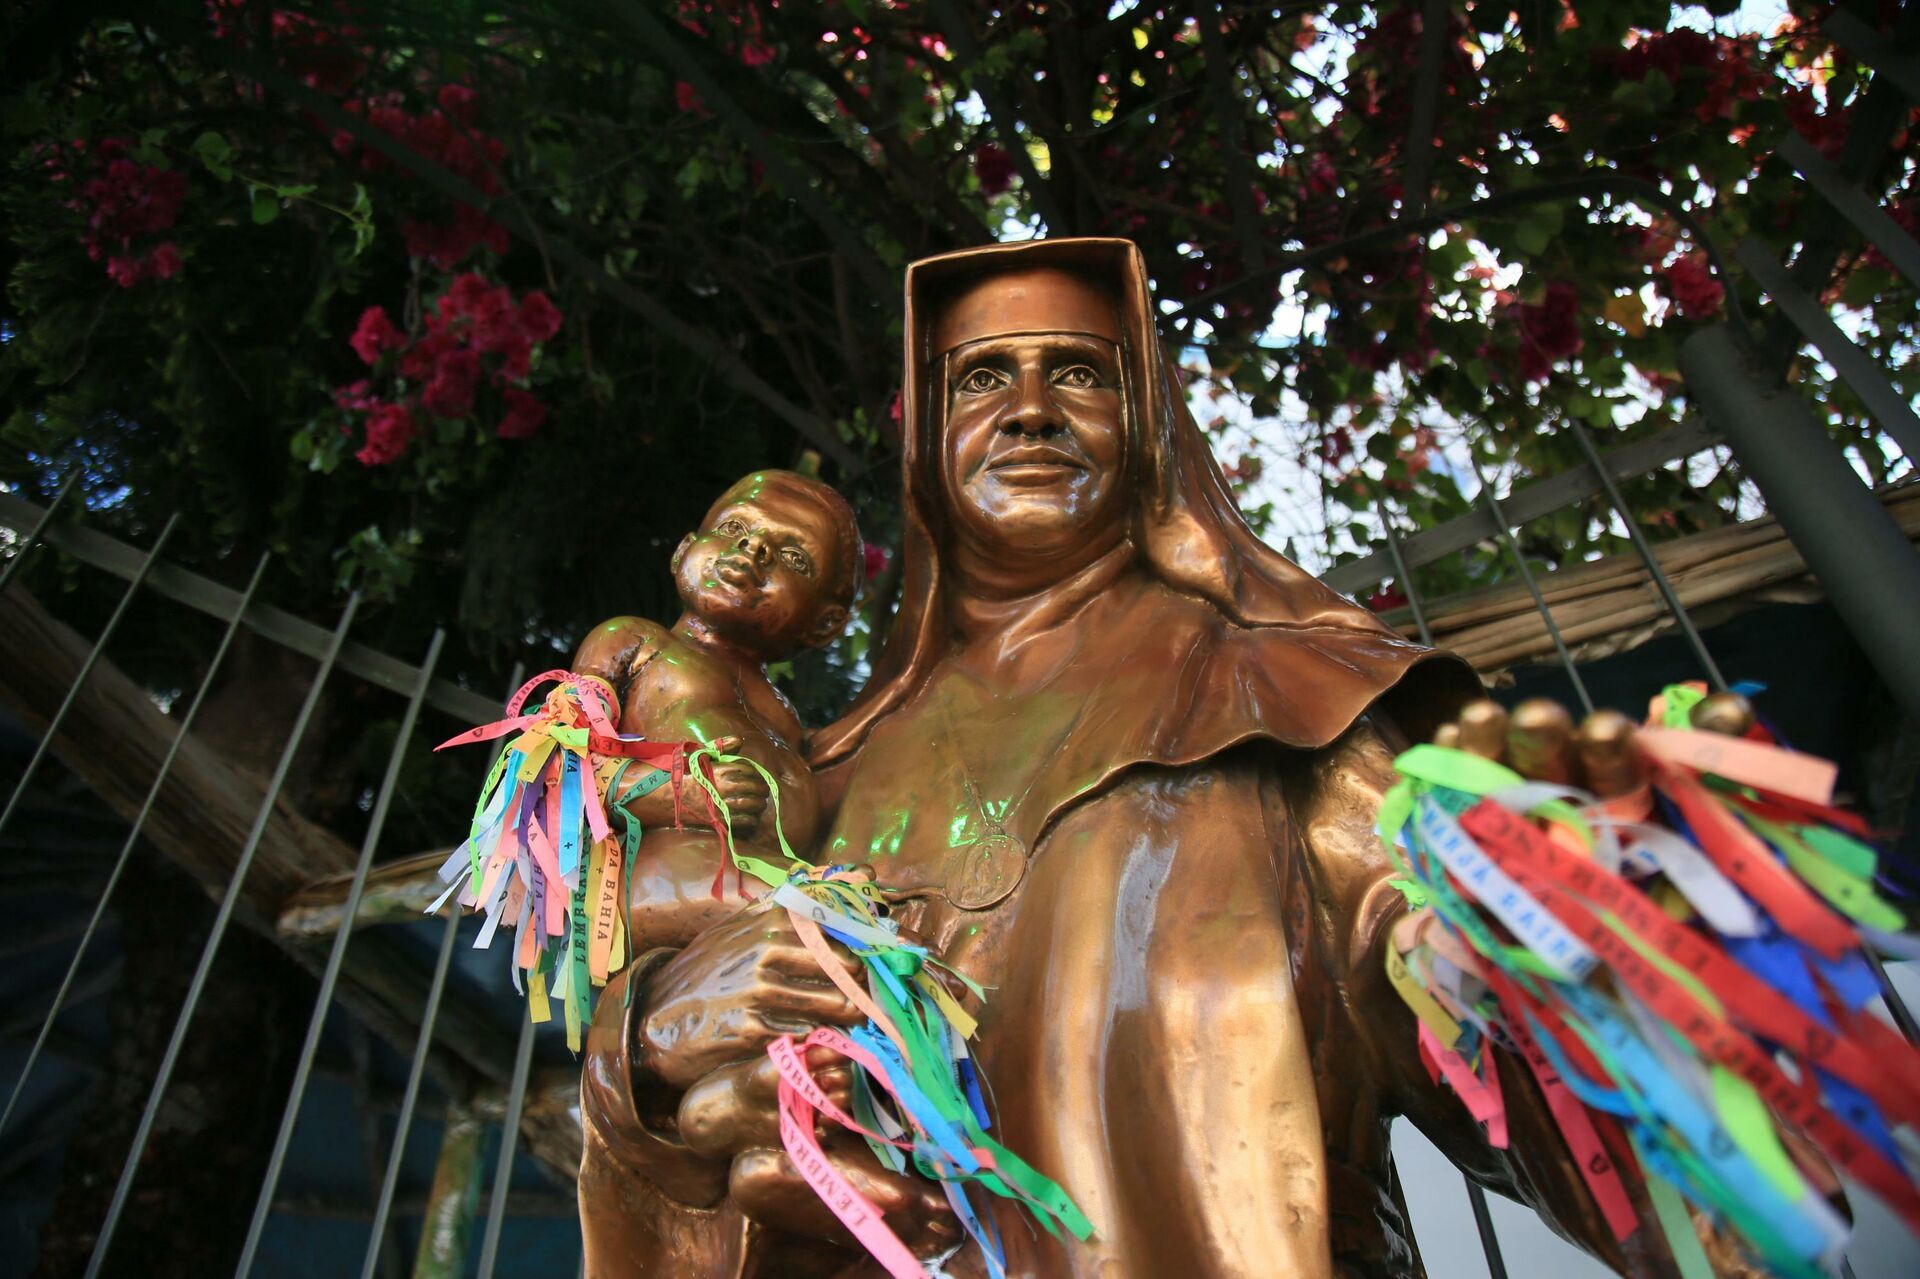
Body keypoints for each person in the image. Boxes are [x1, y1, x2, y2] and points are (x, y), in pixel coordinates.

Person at [574, 239, 1735, 1277]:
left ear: (1151, 426)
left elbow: (1545, 1077)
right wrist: (655, 1029)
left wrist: (1590, 940)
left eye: (1076, 371)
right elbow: (675, 1130)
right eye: (981, 379)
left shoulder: (1297, 705)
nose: (1028, 409)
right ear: (929, 445)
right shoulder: (813, 779)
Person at [572, 469, 860, 953]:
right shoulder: (636, 643)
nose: (754, 549)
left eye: (793, 556)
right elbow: (551, 772)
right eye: (735, 529)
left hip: (763, 893)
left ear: (825, 624)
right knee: (836, 924)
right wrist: (676, 796)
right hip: (651, 884)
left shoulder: (790, 726)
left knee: (853, 919)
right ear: (684, 550)